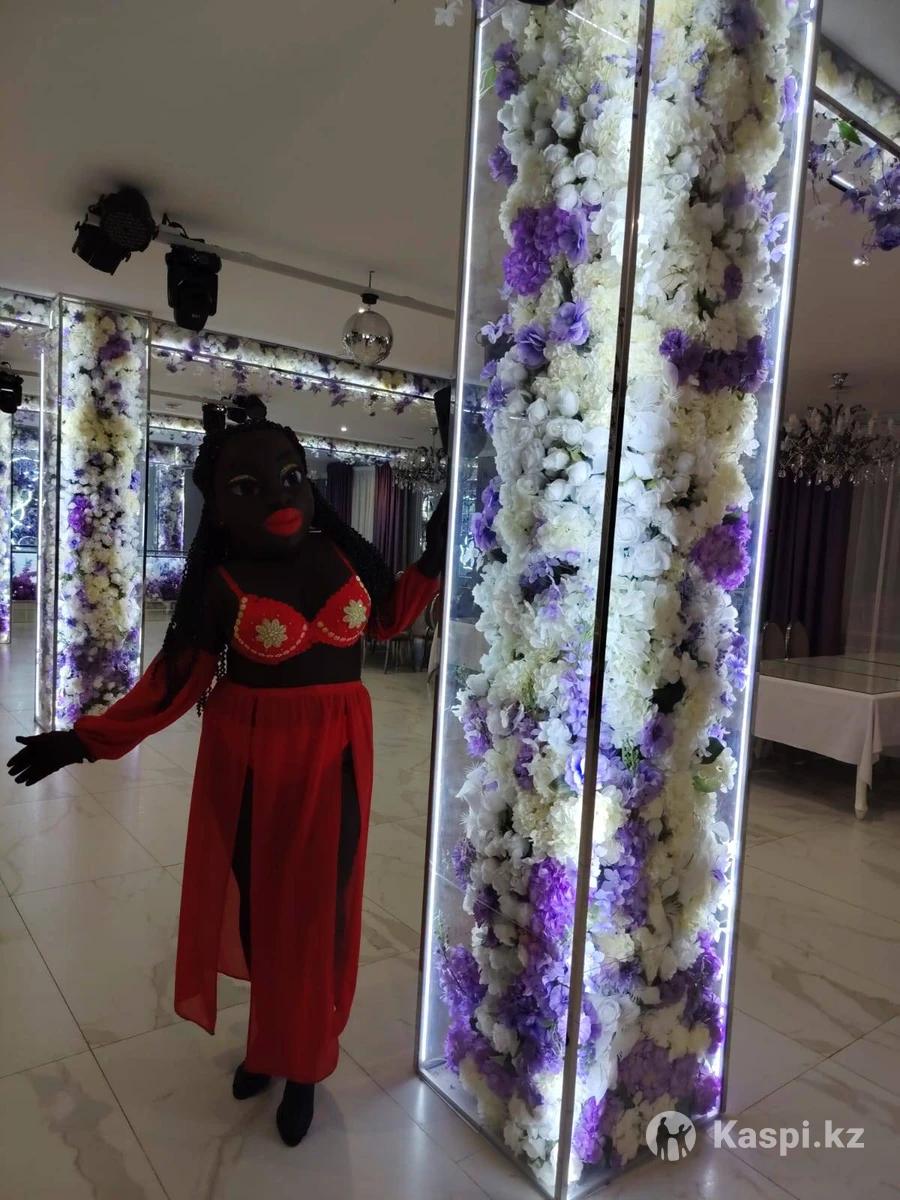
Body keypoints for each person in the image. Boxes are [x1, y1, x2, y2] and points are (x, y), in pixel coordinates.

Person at [7, 395, 447, 1147]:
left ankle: (303, 1063)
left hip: (338, 757)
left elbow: (392, 615)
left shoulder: (345, 557)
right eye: (249, 487)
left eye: (290, 476)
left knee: (317, 913)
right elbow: (174, 683)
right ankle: (269, 1044)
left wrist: (436, 544)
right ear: (218, 503)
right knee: (261, 914)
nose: (279, 495)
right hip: (251, 761)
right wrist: (83, 741)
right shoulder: (222, 581)